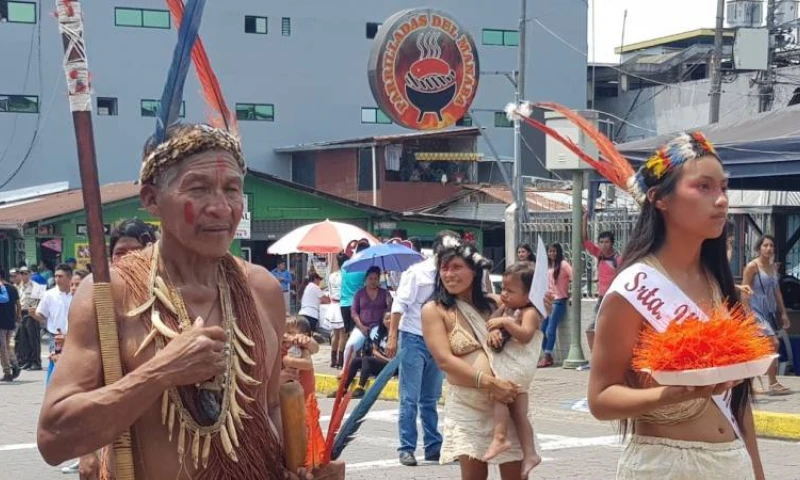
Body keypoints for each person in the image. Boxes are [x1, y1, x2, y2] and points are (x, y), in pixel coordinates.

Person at [37, 123, 344, 479]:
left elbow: (270, 407)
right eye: (198, 189)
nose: (220, 207)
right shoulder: (111, 293)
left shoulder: (262, 289)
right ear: (152, 199)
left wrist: (299, 467)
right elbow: (53, 438)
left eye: (232, 189)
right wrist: (160, 372)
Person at [588, 132, 764, 479]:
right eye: (704, 187)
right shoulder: (633, 288)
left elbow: (738, 400)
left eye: (723, 187)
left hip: (731, 462)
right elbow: (601, 399)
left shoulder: (719, 283)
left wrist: (757, 472)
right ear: (660, 199)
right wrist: (670, 394)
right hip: (664, 465)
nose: (721, 200)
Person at [421, 236, 530, 479]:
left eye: (457, 267)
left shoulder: (495, 304)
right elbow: (444, 360)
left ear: (474, 270)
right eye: (444, 268)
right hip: (468, 406)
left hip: (506, 402)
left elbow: (529, 319)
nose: (449, 274)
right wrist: (490, 382)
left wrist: (543, 306)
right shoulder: (434, 310)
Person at [386, 231, 456, 467]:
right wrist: (393, 336)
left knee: (431, 398)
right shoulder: (417, 273)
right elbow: (400, 304)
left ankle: (434, 447)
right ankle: (406, 448)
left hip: (438, 342)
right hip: (413, 338)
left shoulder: (452, 276)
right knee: (409, 398)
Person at [483, 262, 544, 477]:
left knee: (498, 391)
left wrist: (506, 323)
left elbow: (526, 335)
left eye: (510, 290)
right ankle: (530, 454)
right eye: (503, 290)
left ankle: (500, 436)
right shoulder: (506, 309)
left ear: (529, 295)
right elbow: (491, 324)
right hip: (516, 368)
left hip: (518, 366)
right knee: (519, 414)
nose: (504, 295)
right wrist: (494, 331)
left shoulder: (529, 311)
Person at [743, 235, 792, 396]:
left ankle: (748, 383)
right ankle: (773, 382)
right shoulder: (752, 267)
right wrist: (748, 314)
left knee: (758, 348)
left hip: (768, 311)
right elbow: (744, 290)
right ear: (759, 248)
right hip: (755, 310)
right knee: (773, 343)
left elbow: (777, 292)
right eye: (765, 245)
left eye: (771, 246)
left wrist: (783, 313)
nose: (769, 248)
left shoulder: (771, 267)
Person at [582, 211, 622, 353]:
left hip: (614, 298)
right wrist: (585, 219)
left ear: (612, 243)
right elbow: (584, 241)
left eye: (607, 242)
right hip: (601, 298)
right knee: (591, 329)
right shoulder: (599, 255)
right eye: (601, 242)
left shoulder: (618, 259)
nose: (604, 245)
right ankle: (596, 358)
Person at [343, 266, 390, 369]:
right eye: (370, 278)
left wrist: (389, 302)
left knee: (380, 346)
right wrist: (361, 326)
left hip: (379, 328)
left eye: (375, 279)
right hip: (362, 327)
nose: (373, 281)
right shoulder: (359, 293)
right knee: (350, 345)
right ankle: (345, 370)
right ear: (366, 279)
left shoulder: (384, 293)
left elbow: (390, 311)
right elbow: (354, 312)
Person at [342, 312, 392, 399]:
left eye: (391, 318)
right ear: (382, 321)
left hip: (393, 365)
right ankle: (344, 387)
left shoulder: (397, 334)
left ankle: (360, 388)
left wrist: (389, 361)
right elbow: (374, 351)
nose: (389, 321)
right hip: (384, 361)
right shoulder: (380, 333)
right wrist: (385, 359)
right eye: (387, 319)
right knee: (356, 361)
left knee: (367, 359)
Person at [538, 243, 572, 368]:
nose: (552, 254)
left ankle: (546, 357)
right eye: (550, 251)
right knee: (542, 330)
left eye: (554, 251)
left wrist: (570, 292)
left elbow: (573, 275)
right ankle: (548, 355)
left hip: (559, 301)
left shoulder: (563, 264)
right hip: (548, 300)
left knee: (550, 330)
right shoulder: (548, 266)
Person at [14, 266, 45, 370]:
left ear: (30, 274)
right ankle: (28, 361)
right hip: (21, 313)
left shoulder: (35, 286)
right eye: (21, 273)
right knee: (24, 339)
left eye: (26, 273)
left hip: (31, 314)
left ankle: (36, 362)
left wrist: (36, 313)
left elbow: (40, 301)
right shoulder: (18, 287)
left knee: (33, 339)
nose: (23, 276)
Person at [0, 268, 22, 382]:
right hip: (10, 321)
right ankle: (15, 366)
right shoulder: (12, 288)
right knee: (7, 346)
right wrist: (17, 317)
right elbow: (18, 304)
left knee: (2, 347)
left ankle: (7, 372)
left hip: (2, 323)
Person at [326, 253, 347, 368]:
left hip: (333, 304)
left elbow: (329, 291)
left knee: (335, 334)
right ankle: (340, 360)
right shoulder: (346, 275)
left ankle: (333, 360)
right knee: (343, 334)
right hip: (342, 304)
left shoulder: (332, 276)